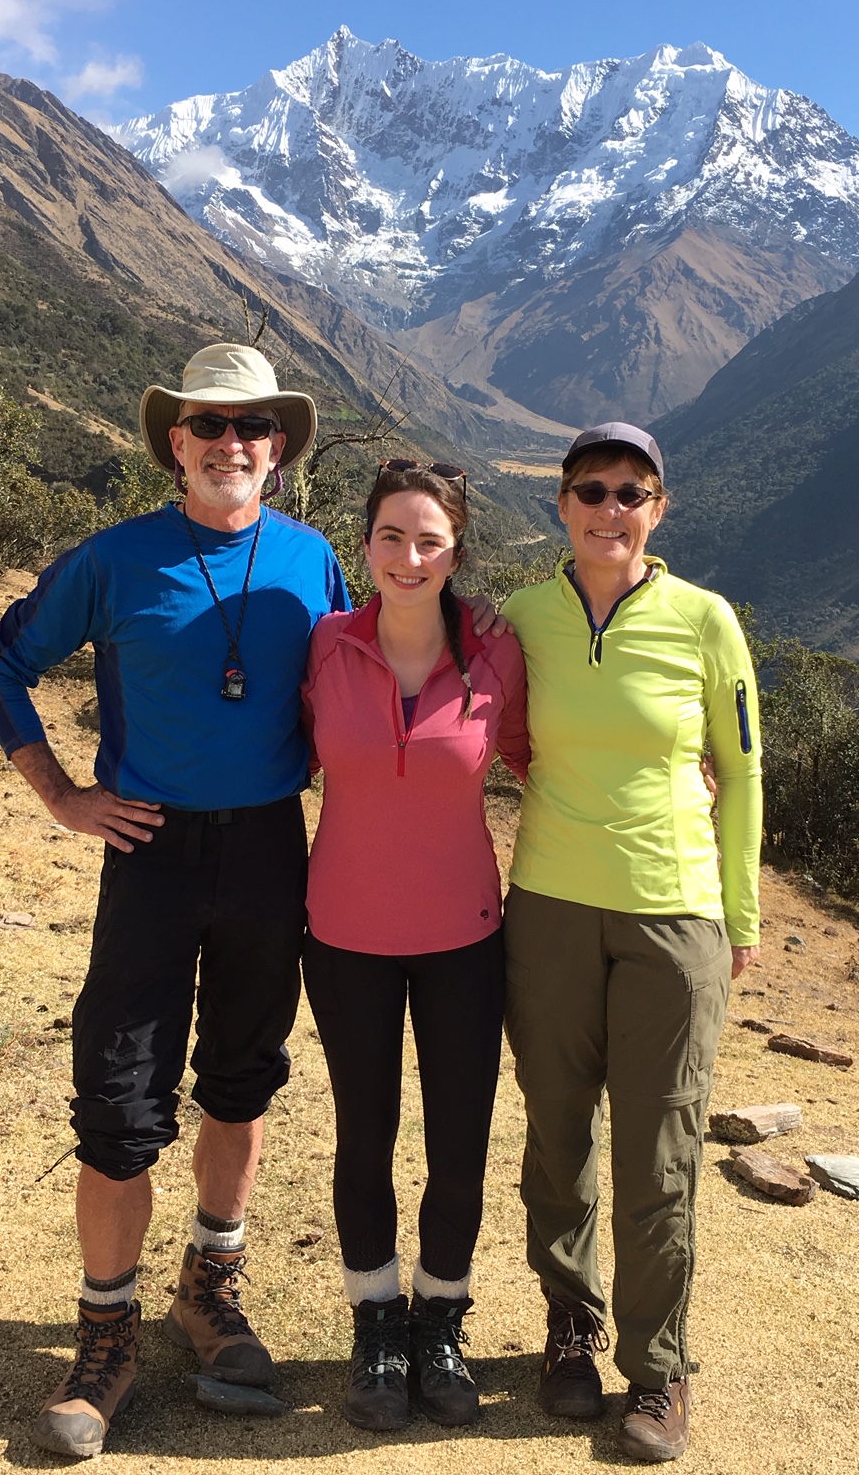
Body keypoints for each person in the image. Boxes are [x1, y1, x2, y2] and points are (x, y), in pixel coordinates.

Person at [0, 342, 345, 1461]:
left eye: (254, 429)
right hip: (151, 848)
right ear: (176, 442)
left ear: (277, 451)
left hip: (273, 849)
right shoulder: (115, 560)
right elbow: (0, 663)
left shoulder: (316, 560)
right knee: (122, 1098)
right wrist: (61, 794)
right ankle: (106, 1331)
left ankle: (209, 1291)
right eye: (211, 426)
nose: (234, 444)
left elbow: (354, 692)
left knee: (241, 1076)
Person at [499, 422, 762, 1465]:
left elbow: (740, 774)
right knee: (557, 1137)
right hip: (550, 909)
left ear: (660, 510)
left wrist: (738, 916)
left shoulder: (706, 621)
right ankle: (570, 1328)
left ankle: (659, 1372)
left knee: (661, 1155)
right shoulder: (521, 619)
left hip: (673, 919)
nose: (611, 510)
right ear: (561, 505)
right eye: (592, 491)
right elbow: (491, 729)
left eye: (632, 493)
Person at [296, 462, 528, 1432]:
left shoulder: (496, 657)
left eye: (429, 539)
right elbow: (276, 749)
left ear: (456, 553)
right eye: (392, 536)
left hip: (464, 940)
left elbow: (547, 756)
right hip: (342, 934)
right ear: (366, 545)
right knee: (366, 1136)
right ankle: (375, 1322)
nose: (408, 556)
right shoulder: (325, 645)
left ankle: (441, 1318)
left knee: (460, 1144)